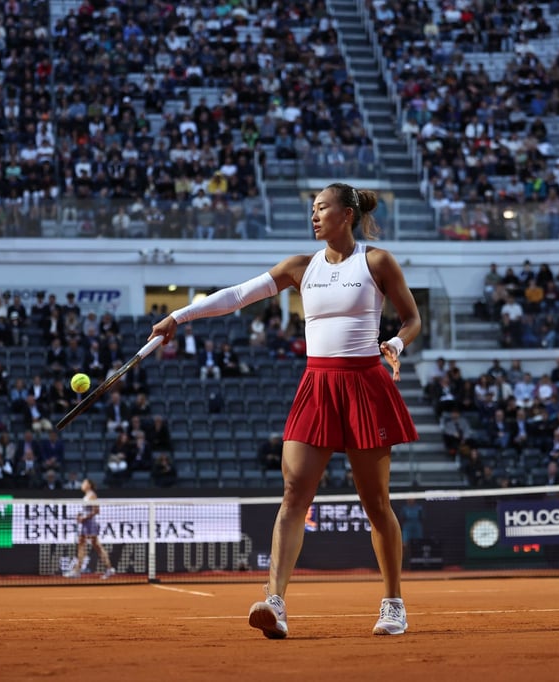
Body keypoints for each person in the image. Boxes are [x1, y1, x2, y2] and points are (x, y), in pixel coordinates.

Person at [149, 183, 419, 638]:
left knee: (376, 504)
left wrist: (394, 342)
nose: (313, 217)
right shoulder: (300, 267)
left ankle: (393, 602)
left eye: (321, 208)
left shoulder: (376, 261)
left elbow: (412, 319)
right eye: (311, 210)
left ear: (346, 215)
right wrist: (179, 317)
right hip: (316, 385)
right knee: (294, 492)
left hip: (365, 384)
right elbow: (237, 295)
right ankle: (275, 602)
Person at [66, 478, 115, 579]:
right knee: (83, 545)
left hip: (90, 524)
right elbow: (86, 510)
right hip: (85, 524)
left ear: (89, 485)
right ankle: (77, 571)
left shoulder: (92, 495)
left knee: (96, 546)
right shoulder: (86, 496)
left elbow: (96, 510)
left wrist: (84, 517)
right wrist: (80, 515)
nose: (82, 485)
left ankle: (109, 568)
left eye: (84, 483)